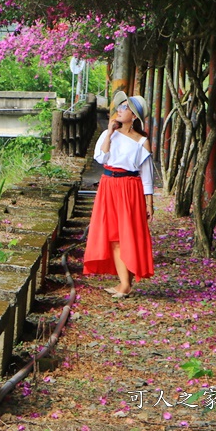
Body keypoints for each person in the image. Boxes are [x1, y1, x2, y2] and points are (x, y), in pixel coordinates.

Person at [84, 90, 154, 298]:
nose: (119, 110)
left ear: (134, 116)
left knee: (127, 236)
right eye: (120, 106)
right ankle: (124, 283)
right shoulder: (108, 135)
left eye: (125, 108)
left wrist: (149, 203)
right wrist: (109, 132)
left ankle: (125, 284)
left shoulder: (142, 142)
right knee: (114, 236)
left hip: (130, 187)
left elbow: (147, 175)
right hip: (108, 185)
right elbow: (100, 158)